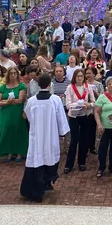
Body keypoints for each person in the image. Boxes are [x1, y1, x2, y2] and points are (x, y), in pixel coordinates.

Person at [20, 73, 70, 203]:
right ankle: (46, 183)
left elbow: (28, 116)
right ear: (50, 85)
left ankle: (36, 188)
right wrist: (62, 132)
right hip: (50, 136)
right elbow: (61, 118)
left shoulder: (31, 101)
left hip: (36, 137)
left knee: (37, 160)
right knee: (50, 159)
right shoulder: (55, 100)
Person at [63, 69, 96, 173]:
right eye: (78, 76)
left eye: (81, 76)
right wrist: (78, 104)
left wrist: (89, 105)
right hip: (73, 116)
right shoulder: (70, 88)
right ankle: (69, 164)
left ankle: (82, 162)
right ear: (74, 77)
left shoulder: (88, 87)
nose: (80, 78)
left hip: (85, 115)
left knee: (84, 139)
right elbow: (68, 104)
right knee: (74, 140)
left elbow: (93, 102)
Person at [0, 67, 28, 163]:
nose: (13, 75)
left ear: (17, 74)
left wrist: (9, 101)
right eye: (11, 73)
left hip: (17, 112)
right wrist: (6, 103)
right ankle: (7, 152)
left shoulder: (21, 86)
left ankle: (19, 152)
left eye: (14, 73)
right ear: (8, 75)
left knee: (17, 130)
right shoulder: (3, 87)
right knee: (4, 130)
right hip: (5, 112)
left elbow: (20, 100)